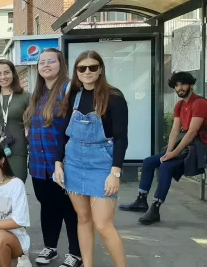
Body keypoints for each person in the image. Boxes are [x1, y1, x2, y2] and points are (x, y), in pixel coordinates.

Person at [54, 51, 128, 267]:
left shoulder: (114, 97)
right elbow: (63, 133)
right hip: (74, 162)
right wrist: (59, 163)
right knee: (83, 219)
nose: (87, 72)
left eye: (92, 67)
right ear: (76, 71)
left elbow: (122, 139)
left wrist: (115, 173)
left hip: (102, 164)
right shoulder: (73, 95)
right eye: (82, 68)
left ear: (100, 69)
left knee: (104, 225)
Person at [120, 71, 207, 225]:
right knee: (149, 162)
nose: (179, 88)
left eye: (183, 84)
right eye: (176, 85)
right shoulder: (180, 105)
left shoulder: (199, 103)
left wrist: (174, 153)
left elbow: (192, 132)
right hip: (185, 145)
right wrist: (168, 152)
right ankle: (141, 201)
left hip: (198, 147)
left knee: (165, 167)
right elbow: (175, 130)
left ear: (191, 85)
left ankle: (155, 208)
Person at [23, 48, 82, 267]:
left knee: (69, 208)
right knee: (48, 206)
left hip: (63, 163)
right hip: (39, 165)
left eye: (51, 61)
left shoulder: (69, 89)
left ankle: (76, 253)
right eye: (42, 62)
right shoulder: (38, 94)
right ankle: (50, 247)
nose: (46, 65)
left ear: (61, 64)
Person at [0, 59, 31, 182]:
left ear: (13, 73)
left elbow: (33, 124)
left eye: (6, 72)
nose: (3, 77)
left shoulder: (26, 96)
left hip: (17, 149)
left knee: (16, 185)